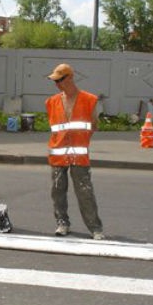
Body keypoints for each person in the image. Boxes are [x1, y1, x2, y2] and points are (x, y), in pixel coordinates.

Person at [45, 63, 105, 240]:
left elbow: (94, 125)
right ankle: (62, 223)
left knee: (85, 192)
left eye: (60, 80)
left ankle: (95, 228)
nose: (57, 84)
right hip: (58, 153)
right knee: (57, 191)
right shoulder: (51, 102)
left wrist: (80, 141)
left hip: (79, 155)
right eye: (55, 81)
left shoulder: (89, 100)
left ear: (70, 78)